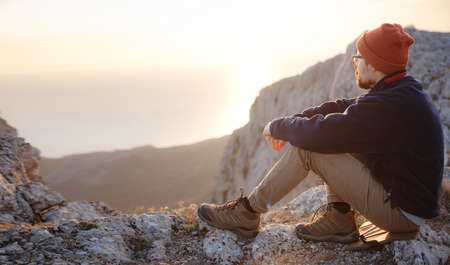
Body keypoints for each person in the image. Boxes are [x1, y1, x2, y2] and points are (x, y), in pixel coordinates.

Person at [197, 23, 444, 244]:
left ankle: (248, 213)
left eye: (358, 58)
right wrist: (293, 120)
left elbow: (325, 132)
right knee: (335, 136)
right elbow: (345, 107)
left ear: (373, 64)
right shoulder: (400, 92)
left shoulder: (390, 104)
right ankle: (338, 219)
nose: (354, 64)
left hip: (401, 214)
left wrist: (279, 128)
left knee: (309, 147)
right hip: (406, 203)